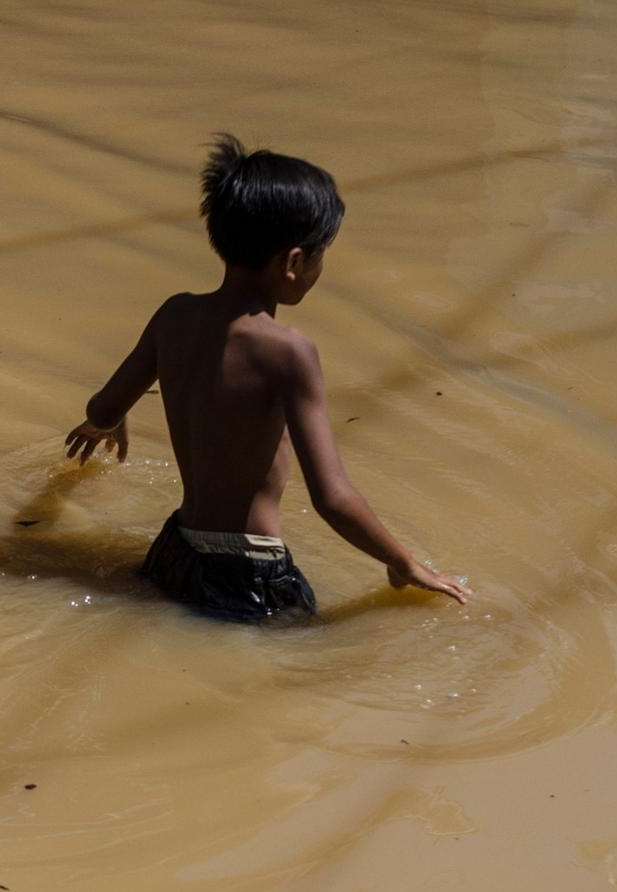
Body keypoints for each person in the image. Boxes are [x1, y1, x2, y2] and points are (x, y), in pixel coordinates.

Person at [64, 134, 468, 621]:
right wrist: (403, 563)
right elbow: (332, 496)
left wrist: (111, 421)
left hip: (174, 552)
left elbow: (102, 410)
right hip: (249, 570)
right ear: (294, 263)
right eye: (321, 255)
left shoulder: (174, 315)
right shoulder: (288, 350)